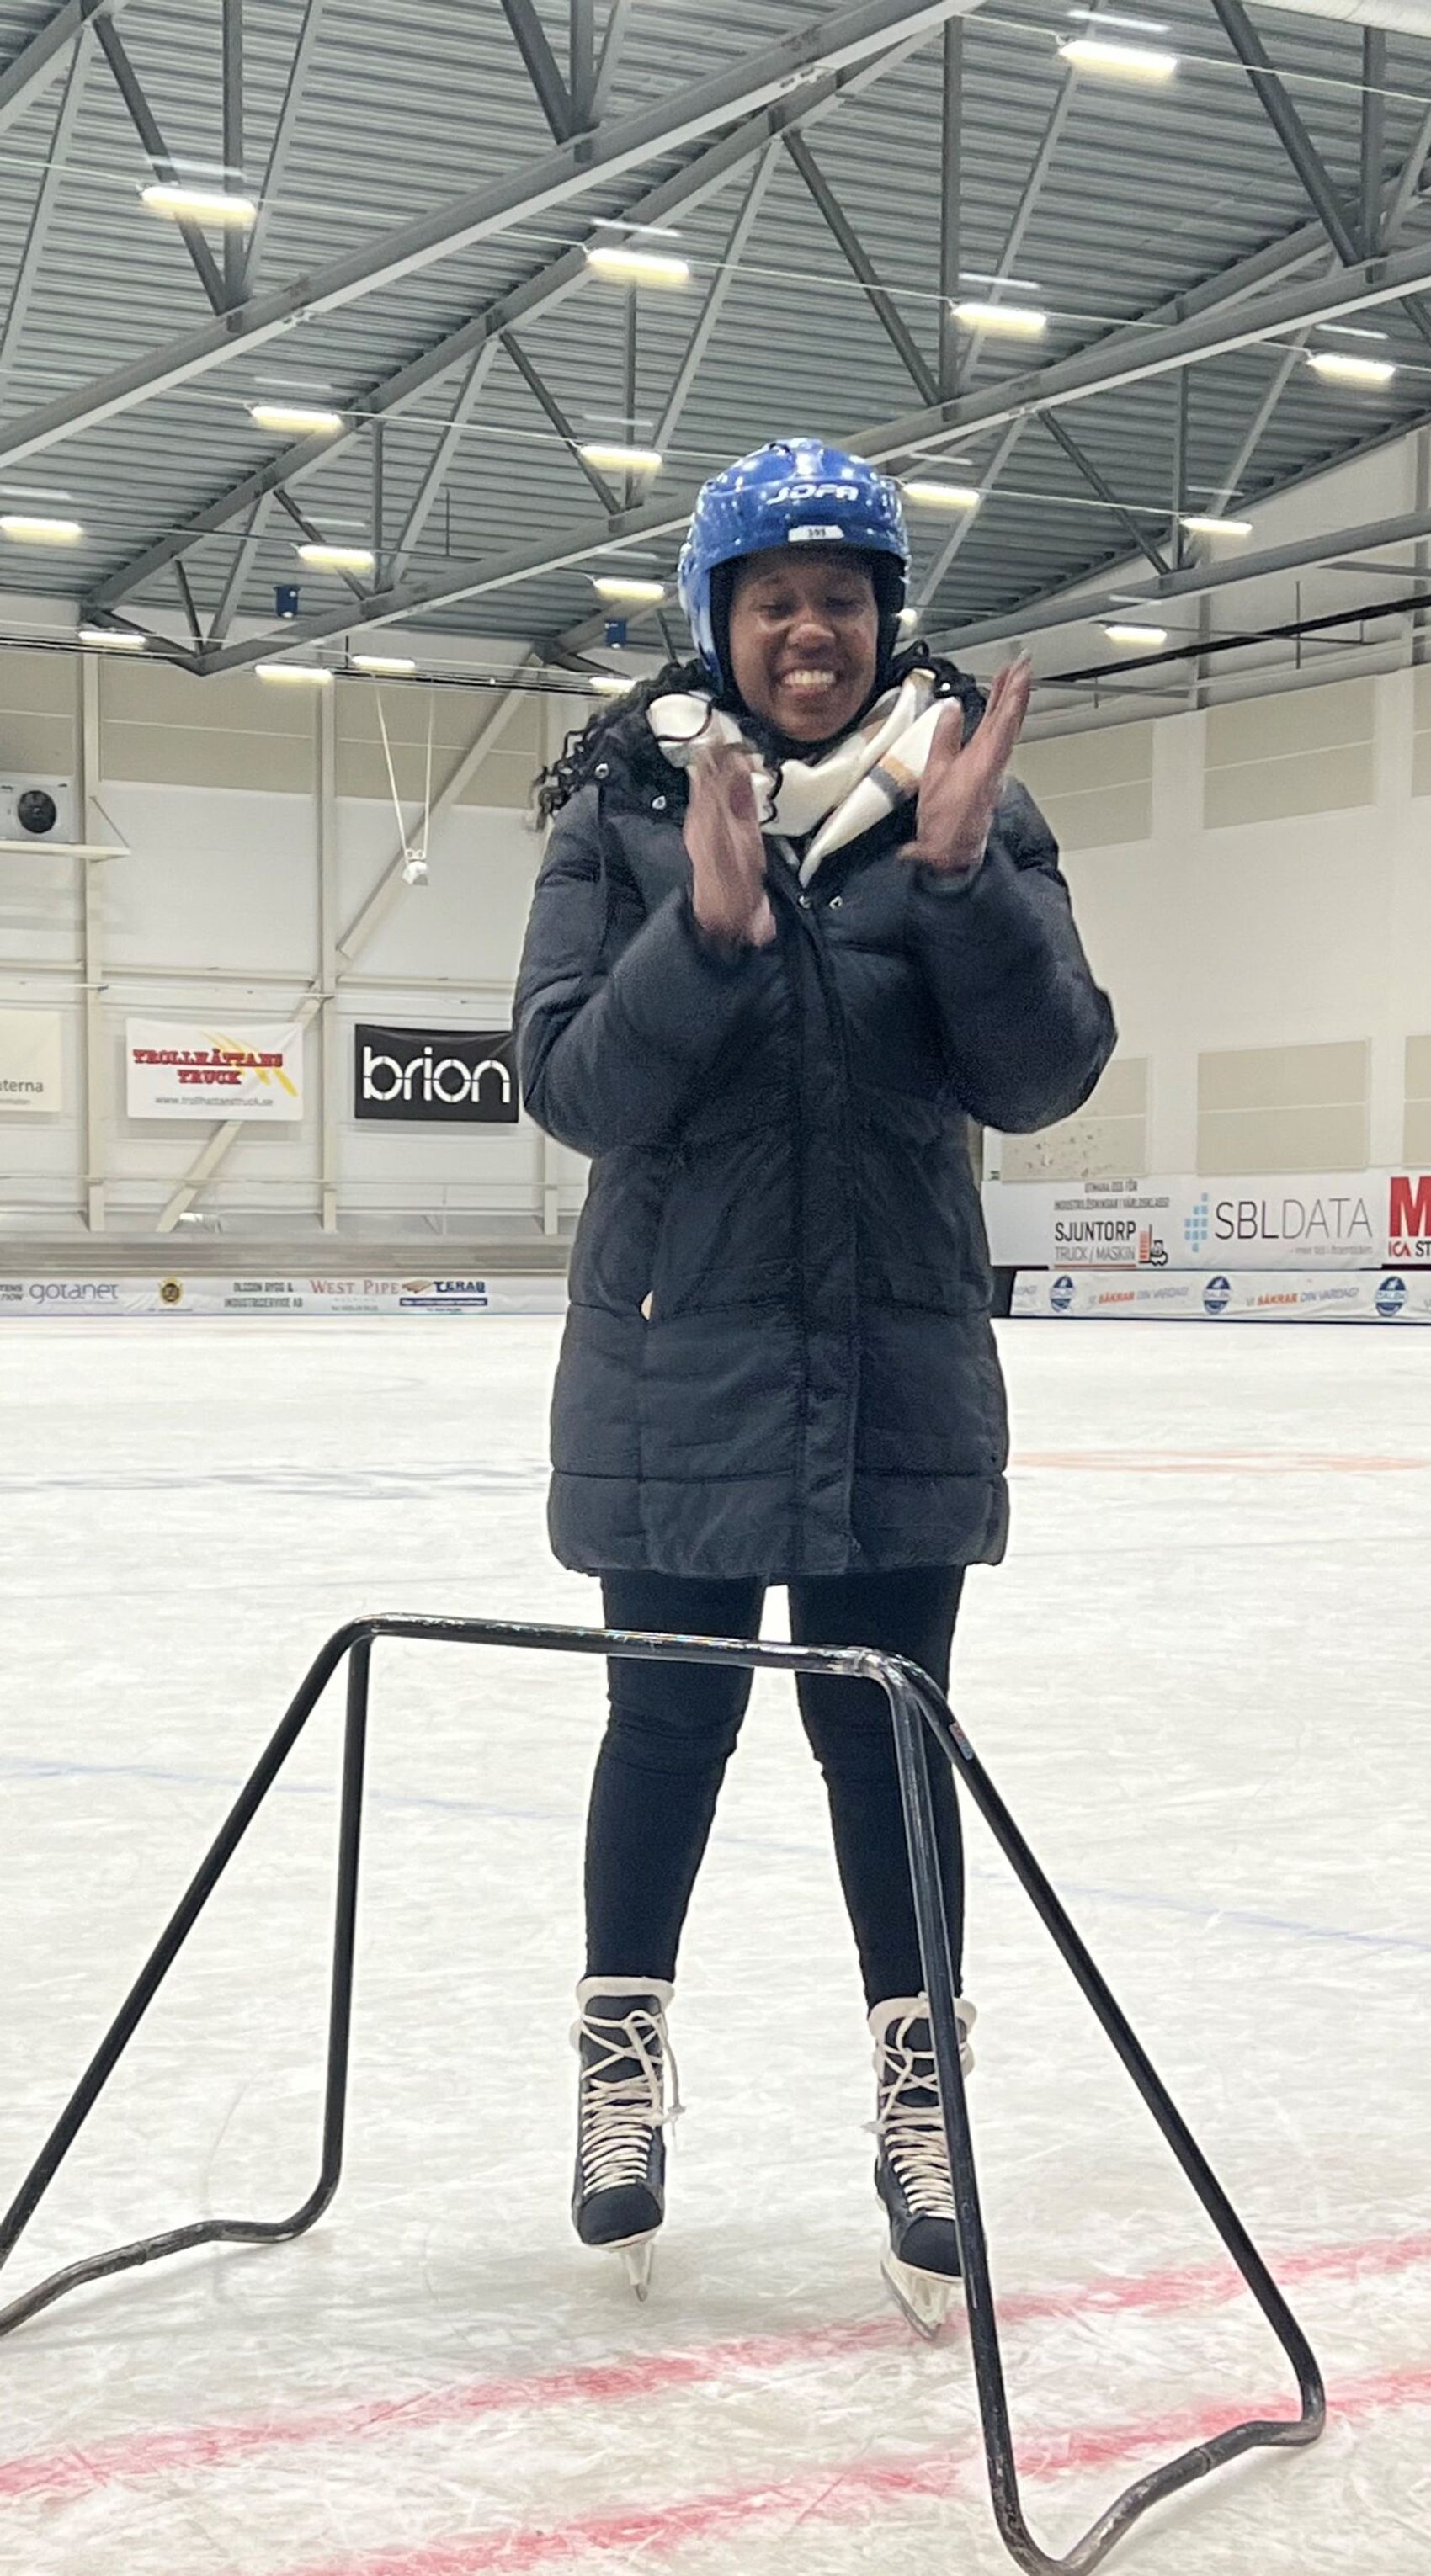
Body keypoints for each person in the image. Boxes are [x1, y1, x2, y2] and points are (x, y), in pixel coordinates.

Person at [515, 438, 1114, 2326]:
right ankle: (622, 2071)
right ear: (719, 617)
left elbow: (1046, 1073)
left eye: (843, 595)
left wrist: (959, 886)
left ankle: (918, 2096)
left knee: (889, 1738)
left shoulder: (968, 805)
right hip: (676, 1358)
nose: (810, 627)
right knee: (668, 1729)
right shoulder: (621, 805)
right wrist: (700, 936)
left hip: (895, 1362)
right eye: (773, 596)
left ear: (884, 618)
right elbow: (574, 1089)